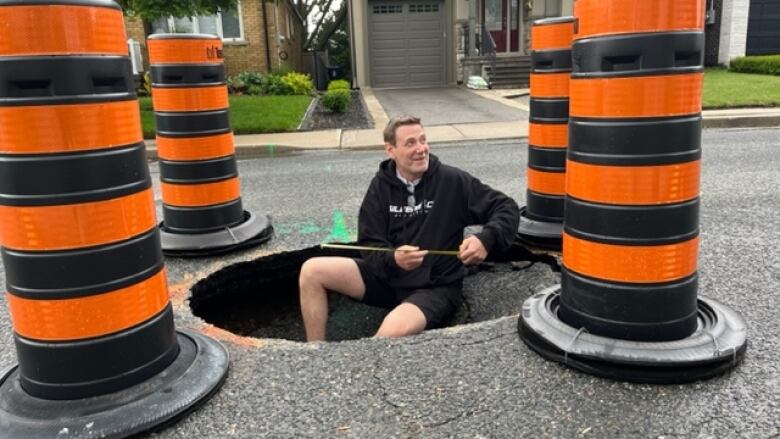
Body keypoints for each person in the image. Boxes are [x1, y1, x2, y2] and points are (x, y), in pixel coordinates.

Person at [299, 114, 520, 341]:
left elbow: (507, 207)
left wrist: (486, 239)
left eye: (423, 140)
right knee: (311, 271)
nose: (421, 148)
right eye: (410, 143)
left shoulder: (452, 180)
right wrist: (393, 259)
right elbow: (369, 245)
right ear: (390, 150)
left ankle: (359, 370)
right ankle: (316, 351)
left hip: (435, 287)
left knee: (390, 332)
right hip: (389, 278)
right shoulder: (380, 187)